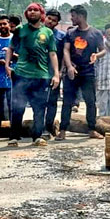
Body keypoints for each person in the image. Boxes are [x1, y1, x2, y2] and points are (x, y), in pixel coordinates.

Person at [5, 3, 60, 146]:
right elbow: (10, 48)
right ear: (26, 14)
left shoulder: (48, 32)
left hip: (41, 76)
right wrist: (7, 65)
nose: (32, 12)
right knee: (17, 107)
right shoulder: (20, 30)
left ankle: (37, 136)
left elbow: (53, 54)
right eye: (29, 10)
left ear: (41, 13)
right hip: (21, 75)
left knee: (39, 108)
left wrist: (56, 74)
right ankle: (14, 137)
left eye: (35, 10)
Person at [61, 5, 104, 140]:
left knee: (91, 101)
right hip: (72, 72)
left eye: (73, 16)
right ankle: (62, 130)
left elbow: (103, 50)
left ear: (81, 16)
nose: (71, 18)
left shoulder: (95, 33)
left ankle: (92, 129)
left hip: (88, 72)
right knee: (67, 102)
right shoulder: (70, 33)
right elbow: (66, 50)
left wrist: (96, 56)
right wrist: (69, 67)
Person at [43, 9, 66, 138]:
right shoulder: (37, 33)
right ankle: (38, 127)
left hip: (54, 73)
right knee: (38, 102)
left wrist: (60, 71)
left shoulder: (61, 36)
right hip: (38, 73)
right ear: (44, 18)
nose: (50, 21)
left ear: (57, 23)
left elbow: (63, 55)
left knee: (52, 102)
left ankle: (48, 127)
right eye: (49, 18)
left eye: (54, 20)